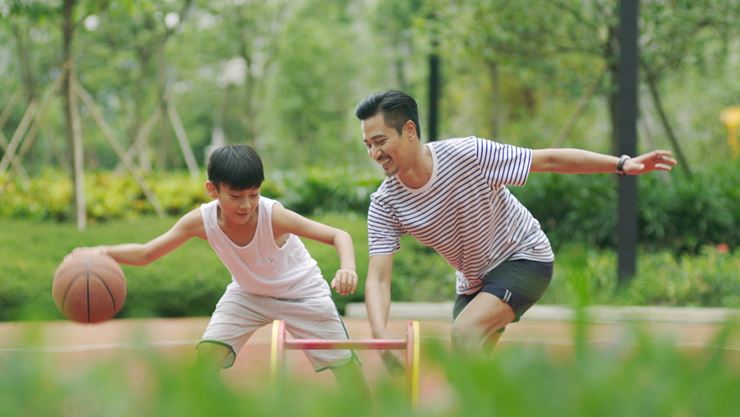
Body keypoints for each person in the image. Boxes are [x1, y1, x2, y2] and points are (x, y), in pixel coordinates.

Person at [354, 90, 677, 356]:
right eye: (368, 145)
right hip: (475, 282)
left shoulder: (469, 155)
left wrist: (622, 164)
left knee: (465, 333)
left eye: (380, 141)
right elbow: (379, 279)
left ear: (409, 130)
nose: (374, 153)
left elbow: (547, 160)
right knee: (470, 364)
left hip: (524, 257)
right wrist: (380, 335)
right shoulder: (385, 204)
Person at [75, 144, 365, 384]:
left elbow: (339, 235)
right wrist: (99, 251)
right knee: (206, 359)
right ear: (212, 189)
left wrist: (348, 268)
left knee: (346, 371)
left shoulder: (273, 216)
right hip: (248, 296)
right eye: (236, 196)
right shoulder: (200, 222)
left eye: (254, 194)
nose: (246, 205)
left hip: (304, 294)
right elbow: (147, 253)